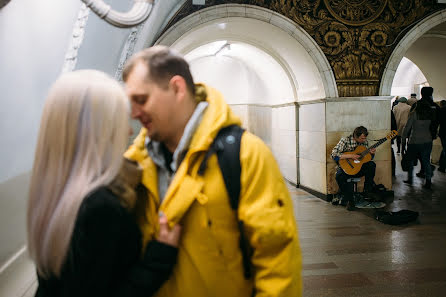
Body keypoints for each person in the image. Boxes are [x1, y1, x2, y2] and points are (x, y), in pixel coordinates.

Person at [122, 46, 301, 297]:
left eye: (141, 100)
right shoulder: (135, 162)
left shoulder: (245, 154)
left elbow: (277, 259)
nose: (134, 113)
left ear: (177, 88)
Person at [27, 70, 181, 297]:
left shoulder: (53, 189)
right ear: (98, 132)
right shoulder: (101, 207)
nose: (129, 131)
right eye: (120, 122)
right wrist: (159, 257)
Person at [331, 126, 377, 210]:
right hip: (346, 168)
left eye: (365, 138)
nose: (364, 140)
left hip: (358, 168)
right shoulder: (345, 140)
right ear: (355, 136)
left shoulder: (364, 142)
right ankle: (349, 199)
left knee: (371, 165)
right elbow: (334, 156)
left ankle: (367, 192)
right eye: (362, 138)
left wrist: (372, 154)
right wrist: (351, 155)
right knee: (339, 176)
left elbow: (367, 159)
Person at [402, 86, 438, 189]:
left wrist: (404, 139)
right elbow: (434, 125)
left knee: (410, 160)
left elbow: (408, 127)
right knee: (426, 160)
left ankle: (410, 178)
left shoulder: (414, 113)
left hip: (414, 140)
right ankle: (428, 181)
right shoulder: (431, 113)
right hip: (427, 140)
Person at [437, 100, 446, 172]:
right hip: (443, 133)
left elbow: (437, 122)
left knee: (444, 149)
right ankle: (442, 165)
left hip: (443, 133)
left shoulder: (441, 111)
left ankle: (442, 166)